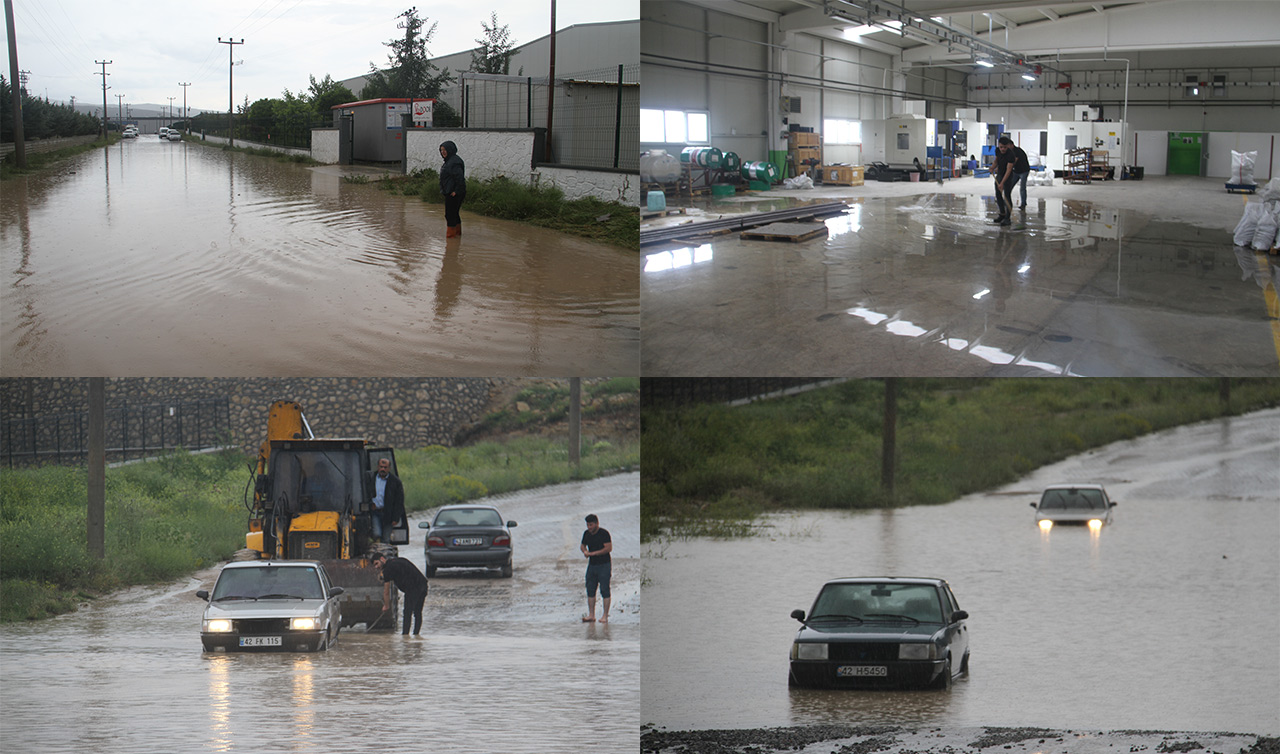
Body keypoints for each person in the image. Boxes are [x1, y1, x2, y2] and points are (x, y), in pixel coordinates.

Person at [372, 551, 429, 636]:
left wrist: (386, 605)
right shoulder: (399, 560)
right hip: (423, 585)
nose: (376, 567)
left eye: (377, 563)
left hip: (413, 588)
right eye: (375, 565)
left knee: (407, 612)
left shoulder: (387, 570)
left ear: (382, 559)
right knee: (417, 612)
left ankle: (405, 637)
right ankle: (416, 636)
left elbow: (386, 591)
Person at [580, 514, 612, 623]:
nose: (589, 527)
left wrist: (593, 553)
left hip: (604, 565)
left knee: (605, 589)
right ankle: (591, 615)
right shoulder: (586, 534)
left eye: (591, 525)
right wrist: (584, 551)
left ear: (596, 523)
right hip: (592, 566)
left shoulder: (604, 533)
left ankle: (605, 616)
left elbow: (608, 548)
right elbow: (582, 545)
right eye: (588, 525)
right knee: (590, 589)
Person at [992, 136, 1030, 225]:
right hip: (1000, 174)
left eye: (1005, 147)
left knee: (1007, 195)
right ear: (999, 146)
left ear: (1008, 146)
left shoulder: (1011, 155)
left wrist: (1002, 183)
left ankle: (1007, 218)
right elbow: (996, 160)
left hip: (1008, 176)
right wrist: (993, 167)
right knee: (998, 194)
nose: (1003, 149)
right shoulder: (997, 150)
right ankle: (1002, 214)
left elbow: (1009, 170)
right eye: (1001, 147)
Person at [367, 458, 405, 543]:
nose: (383, 469)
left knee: (386, 538)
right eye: (381, 467)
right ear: (378, 467)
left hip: (388, 514)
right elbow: (366, 493)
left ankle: (384, 555)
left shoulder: (395, 482)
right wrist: (370, 504)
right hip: (375, 512)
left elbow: (399, 501)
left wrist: (396, 518)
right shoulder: (371, 478)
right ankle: (376, 551)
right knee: (376, 534)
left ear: (389, 468)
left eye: (385, 467)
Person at [439, 140, 467, 238]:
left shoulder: (454, 162)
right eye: (441, 150)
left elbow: (460, 179)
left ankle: (450, 238)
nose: (443, 152)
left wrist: (456, 191)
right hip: (451, 191)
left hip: (453, 193)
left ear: (450, 150)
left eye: (445, 150)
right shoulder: (450, 161)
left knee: (450, 215)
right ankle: (457, 234)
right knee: (454, 214)